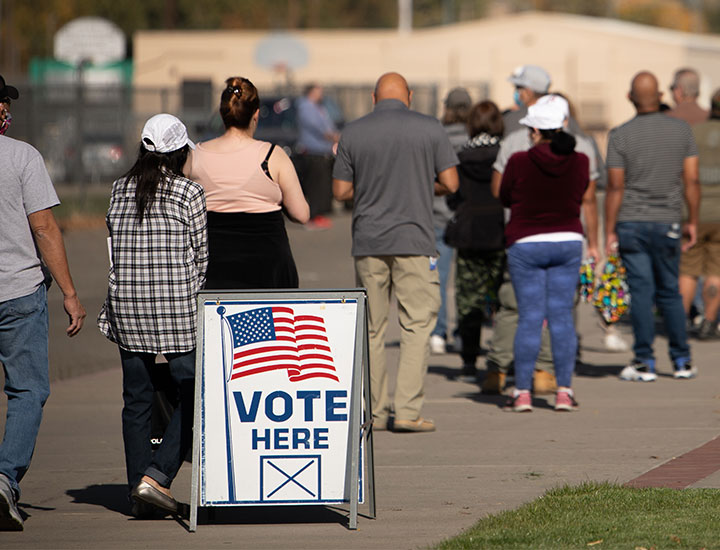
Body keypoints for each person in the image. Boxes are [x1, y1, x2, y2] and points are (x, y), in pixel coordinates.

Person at [333, 72, 459, 433]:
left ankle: (373, 411)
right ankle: (406, 411)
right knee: (417, 324)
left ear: (374, 97)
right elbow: (451, 182)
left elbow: (341, 191)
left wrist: (371, 189)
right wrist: (419, 184)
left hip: (369, 241)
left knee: (372, 328)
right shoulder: (430, 128)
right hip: (415, 240)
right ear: (411, 96)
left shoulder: (353, 132)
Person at [97, 113, 207, 517]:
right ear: (179, 151)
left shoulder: (119, 189)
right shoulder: (189, 193)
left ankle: (137, 491)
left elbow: (113, 249)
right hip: (176, 308)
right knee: (194, 394)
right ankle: (157, 476)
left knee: (137, 399)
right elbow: (201, 258)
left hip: (127, 305)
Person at [0, 74, 86, 531]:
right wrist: (70, 293)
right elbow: (45, 228)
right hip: (17, 291)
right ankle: (5, 477)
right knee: (28, 390)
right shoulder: (21, 156)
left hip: (18, 290)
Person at [483, 87, 600, 395]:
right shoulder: (582, 158)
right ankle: (564, 390)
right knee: (561, 316)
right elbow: (585, 197)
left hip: (525, 241)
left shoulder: (518, 158)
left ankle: (521, 391)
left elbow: (504, 195)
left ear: (535, 129)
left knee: (528, 317)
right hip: (568, 239)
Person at [605, 71, 700, 382]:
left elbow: (615, 187)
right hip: (668, 219)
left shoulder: (620, 135)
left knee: (642, 293)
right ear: (660, 97)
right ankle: (681, 359)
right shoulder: (681, 131)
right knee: (670, 291)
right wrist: (693, 220)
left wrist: (609, 229)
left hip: (632, 221)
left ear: (630, 98)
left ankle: (644, 361)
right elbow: (691, 180)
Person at [186, 77, 310, 289]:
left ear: (223, 113)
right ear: (256, 114)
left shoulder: (196, 156)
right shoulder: (273, 156)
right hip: (268, 268)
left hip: (214, 266)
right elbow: (301, 214)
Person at [445, 100, 506, 381]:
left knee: (469, 299)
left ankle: (469, 360)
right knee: (503, 300)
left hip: (469, 233)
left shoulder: (459, 156)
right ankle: (501, 359)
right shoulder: (506, 154)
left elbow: (452, 195)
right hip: (500, 232)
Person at [430, 87, 472, 355]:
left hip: (437, 216)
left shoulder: (436, 137)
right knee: (466, 281)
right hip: (467, 218)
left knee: (439, 279)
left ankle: (438, 332)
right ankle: (463, 333)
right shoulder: (473, 138)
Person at [679, 88, 720, 339]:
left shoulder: (693, 134)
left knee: (688, 269)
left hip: (693, 210)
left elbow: (683, 174)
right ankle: (710, 320)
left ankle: (680, 322)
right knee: (716, 270)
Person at [293, 83, 340, 230]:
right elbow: (318, 128)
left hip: (323, 151)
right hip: (313, 152)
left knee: (322, 186)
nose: (321, 94)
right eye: (319, 91)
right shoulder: (306, 107)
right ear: (311, 92)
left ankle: (319, 214)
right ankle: (311, 217)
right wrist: (333, 136)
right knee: (314, 186)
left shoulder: (318, 107)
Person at [503, 64, 552, 136]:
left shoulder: (512, 119)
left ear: (528, 91)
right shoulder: (564, 117)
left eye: (518, 87)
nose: (517, 92)